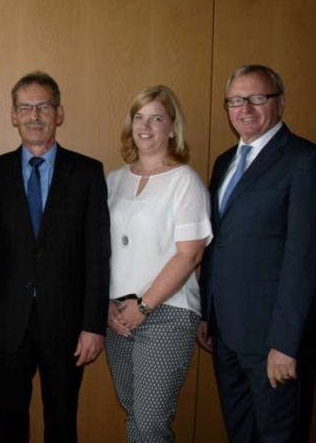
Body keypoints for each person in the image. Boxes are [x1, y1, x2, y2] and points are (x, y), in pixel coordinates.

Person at [0, 71, 110, 443]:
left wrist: (93, 325)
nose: (34, 116)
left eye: (43, 107)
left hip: (68, 325)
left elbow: (98, 255)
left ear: (59, 113)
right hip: (7, 323)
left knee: (62, 424)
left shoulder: (87, 172)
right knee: (10, 425)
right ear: (13, 115)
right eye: (26, 107)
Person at [198, 64, 316, 442]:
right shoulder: (224, 162)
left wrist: (286, 343)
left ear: (279, 104)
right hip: (226, 335)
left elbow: (305, 260)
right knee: (241, 433)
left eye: (257, 98)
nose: (244, 108)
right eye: (235, 100)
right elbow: (219, 245)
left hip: (274, 342)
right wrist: (208, 314)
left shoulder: (304, 161)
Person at [105, 85, 212, 442]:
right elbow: (101, 249)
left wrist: (145, 305)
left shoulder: (185, 182)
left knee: (151, 422)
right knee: (134, 410)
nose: (146, 126)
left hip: (166, 313)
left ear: (172, 127)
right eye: (139, 117)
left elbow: (190, 254)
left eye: (156, 118)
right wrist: (107, 306)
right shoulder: (114, 180)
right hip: (117, 315)